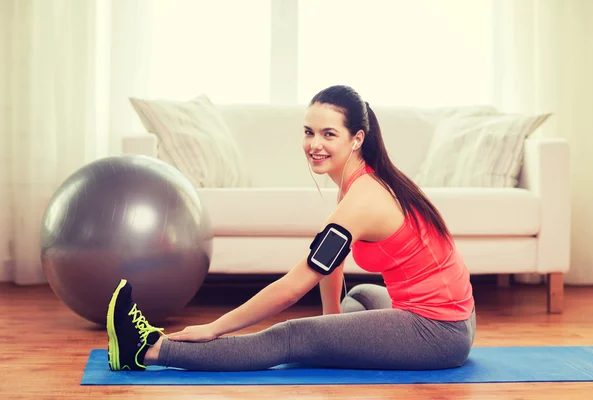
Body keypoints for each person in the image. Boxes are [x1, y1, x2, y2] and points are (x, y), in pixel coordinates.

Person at [105, 85, 476, 372]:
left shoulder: (364, 197)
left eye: (329, 135)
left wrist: (215, 327)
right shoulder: (360, 181)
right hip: (457, 319)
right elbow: (333, 265)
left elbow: (292, 288)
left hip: (440, 334)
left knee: (292, 335)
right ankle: (336, 338)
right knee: (360, 295)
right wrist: (332, 324)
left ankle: (148, 349)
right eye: (308, 132)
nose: (315, 145)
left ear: (356, 138)